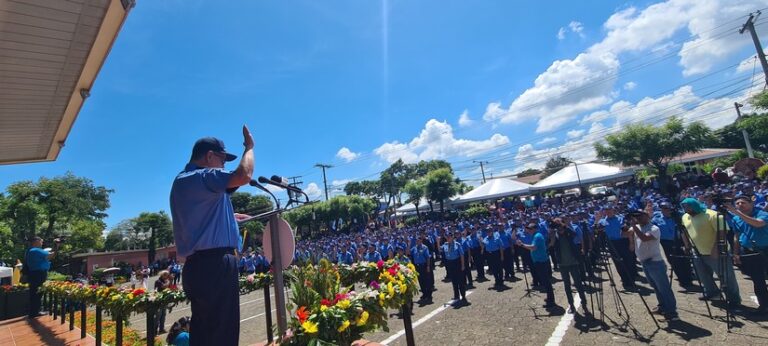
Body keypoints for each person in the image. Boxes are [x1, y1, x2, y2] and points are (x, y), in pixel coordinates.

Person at [170, 126, 254, 346]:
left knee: (206, 333)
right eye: (223, 159)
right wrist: (249, 147)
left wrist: (230, 217)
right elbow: (243, 175)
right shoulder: (203, 176)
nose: (224, 165)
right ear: (209, 156)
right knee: (223, 333)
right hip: (215, 264)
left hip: (197, 266)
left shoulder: (184, 182)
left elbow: (201, 219)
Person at [680, 198, 741, 308]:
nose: (686, 209)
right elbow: (684, 231)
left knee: (726, 276)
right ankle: (713, 293)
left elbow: (722, 232)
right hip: (698, 251)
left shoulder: (712, 215)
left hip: (717, 252)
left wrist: (715, 248)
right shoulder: (685, 217)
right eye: (684, 207)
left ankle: (734, 299)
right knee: (703, 275)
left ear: (695, 205)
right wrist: (687, 245)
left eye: (688, 207)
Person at [628, 210, 679, 321]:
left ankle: (672, 312)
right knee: (656, 287)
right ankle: (662, 306)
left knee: (664, 288)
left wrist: (634, 227)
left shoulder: (654, 228)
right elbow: (625, 233)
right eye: (636, 217)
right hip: (644, 261)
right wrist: (628, 230)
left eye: (640, 216)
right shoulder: (636, 227)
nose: (638, 218)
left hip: (655, 262)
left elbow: (644, 238)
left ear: (647, 216)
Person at [727, 194, 768, 313]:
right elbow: (736, 236)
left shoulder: (762, 214)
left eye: (743, 203)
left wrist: (736, 212)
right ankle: (764, 306)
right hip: (749, 252)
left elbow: (758, 223)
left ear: (751, 204)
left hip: (765, 250)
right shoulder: (736, 218)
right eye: (738, 204)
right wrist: (735, 253)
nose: (740, 205)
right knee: (757, 280)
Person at [549, 218, 587, 314]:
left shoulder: (569, 233)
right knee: (567, 286)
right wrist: (553, 230)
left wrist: (562, 224)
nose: (560, 229)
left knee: (578, 284)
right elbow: (551, 244)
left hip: (573, 262)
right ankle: (571, 305)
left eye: (560, 227)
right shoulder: (555, 235)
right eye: (558, 227)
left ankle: (584, 303)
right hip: (563, 264)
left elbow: (574, 234)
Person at [651, 202, 693, 288]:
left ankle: (689, 278)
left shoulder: (677, 217)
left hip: (679, 241)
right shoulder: (657, 218)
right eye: (664, 209)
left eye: (667, 209)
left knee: (685, 261)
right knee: (674, 262)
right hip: (666, 243)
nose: (666, 211)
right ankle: (682, 280)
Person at [518, 223, 555, 308]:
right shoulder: (536, 236)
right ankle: (549, 298)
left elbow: (533, 247)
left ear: (535, 229)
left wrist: (522, 245)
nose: (528, 230)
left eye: (530, 229)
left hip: (541, 261)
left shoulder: (537, 236)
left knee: (546, 281)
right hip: (539, 261)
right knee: (545, 280)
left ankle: (551, 300)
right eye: (528, 229)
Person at [25, 236, 58, 318]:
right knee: (38, 293)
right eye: (41, 241)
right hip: (38, 274)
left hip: (34, 274)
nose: (42, 243)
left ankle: (34, 312)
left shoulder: (29, 250)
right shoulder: (36, 250)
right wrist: (56, 245)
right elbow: (52, 256)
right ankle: (35, 312)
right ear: (36, 241)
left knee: (35, 293)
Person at [442, 232, 469, 305]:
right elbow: (440, 250)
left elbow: (462, 255)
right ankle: (456, 295)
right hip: (450, 264)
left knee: (460, 281)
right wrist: (438, 242)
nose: (448, 238)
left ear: (452, 237)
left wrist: (463, 265)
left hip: (457, 263)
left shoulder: (457, 244)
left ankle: (463, 296)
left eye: (449, 237)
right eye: (447, 237)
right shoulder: (445, 245)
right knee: (454, 281)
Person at [411, 236, 433, 303]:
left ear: (421, 241)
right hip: (417, 267)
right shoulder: (414, 248)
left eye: (419, 240)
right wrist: (409, 244)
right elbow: (408, 252)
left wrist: (428, 266)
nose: (417, 242)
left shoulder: (424, 247)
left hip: (424, 266)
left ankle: (429, 295)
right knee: (421, 281)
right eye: (416, 241)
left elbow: (428, 258)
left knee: (427, 281)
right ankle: (424, 294)